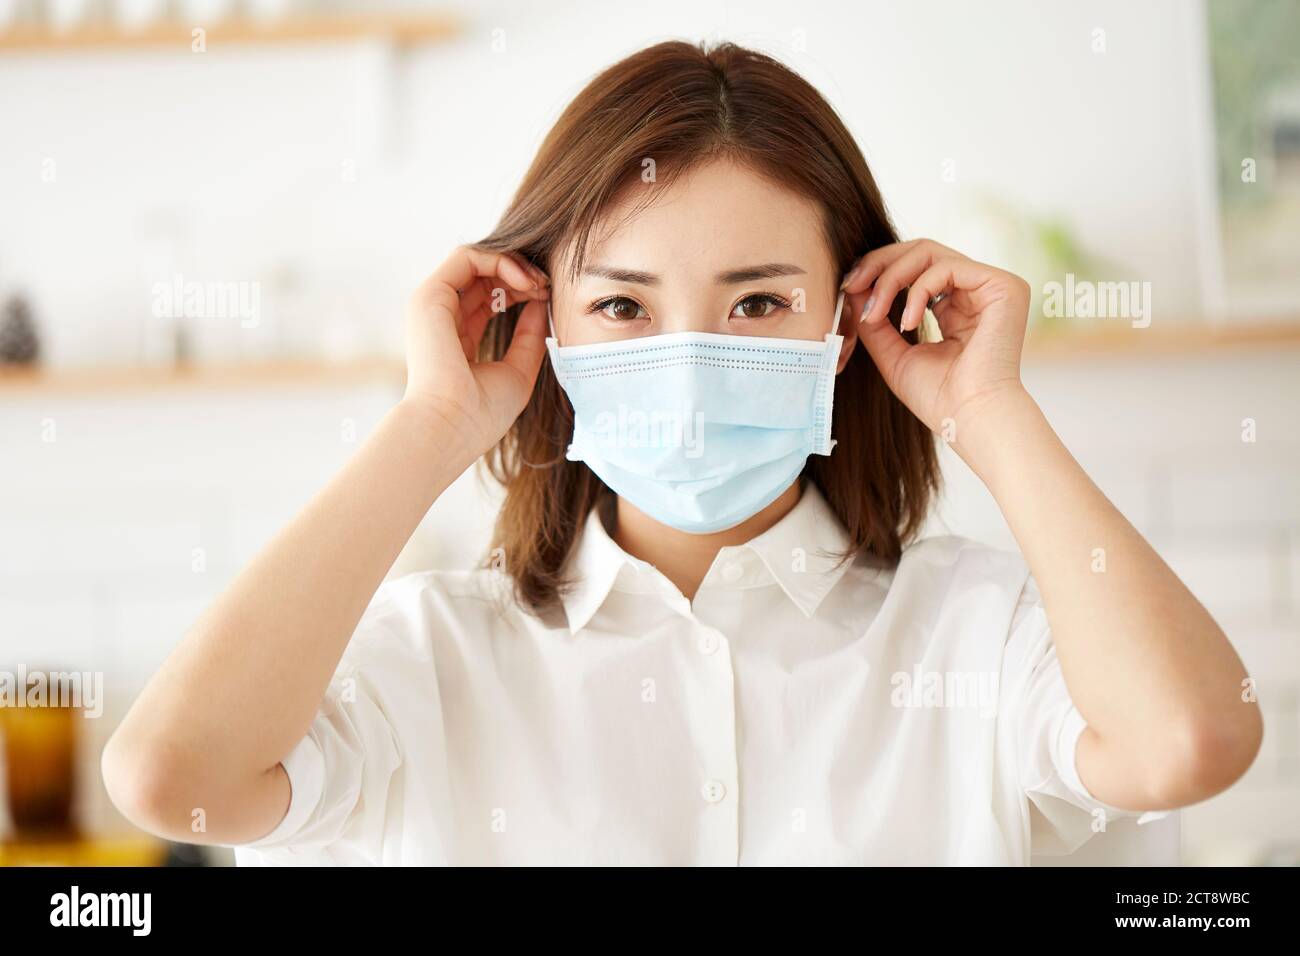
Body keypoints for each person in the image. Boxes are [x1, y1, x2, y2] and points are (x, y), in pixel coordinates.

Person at [102, 41, 1261, 865]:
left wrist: (987, 408)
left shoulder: (972, 631)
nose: (692, 360)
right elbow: (169, 777)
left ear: (846, 325)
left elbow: (1189, 739)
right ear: (544, 326)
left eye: (757, 304)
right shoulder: (430, 656)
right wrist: (432, 426)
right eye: (622, 308)